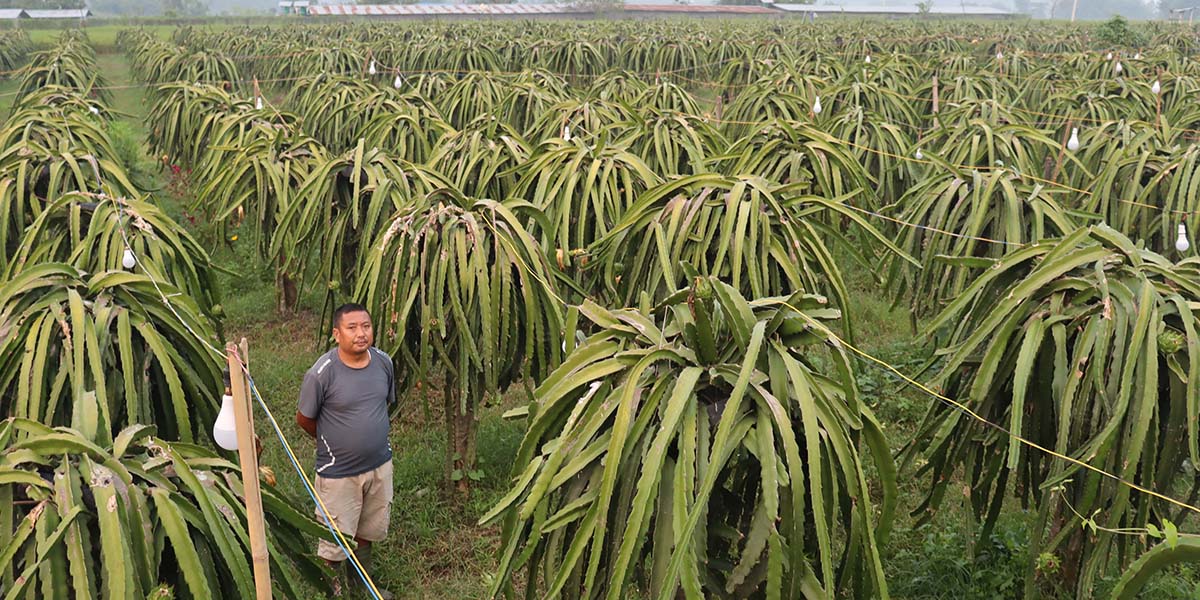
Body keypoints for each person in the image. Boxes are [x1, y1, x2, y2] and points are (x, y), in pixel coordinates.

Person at [297, 303, 395, 599]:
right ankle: (331, 591)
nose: (361, 333)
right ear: (336, 334)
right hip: (338, 473)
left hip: (379, 465)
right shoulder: (321, 373)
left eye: (366, 326)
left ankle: (361, 589)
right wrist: (337, 442)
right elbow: (304, 419)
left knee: (368, 530)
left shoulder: (383, 362)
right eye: (352, 328)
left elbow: (386, 403)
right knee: (334, 541)